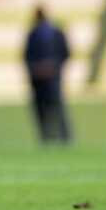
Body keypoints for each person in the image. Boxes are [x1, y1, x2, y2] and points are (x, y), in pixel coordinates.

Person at [24, 8, 71, 144]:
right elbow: (27, 57)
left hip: (53, 79)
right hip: (38, 80)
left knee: (57, 109)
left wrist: (53, 67)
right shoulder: (33, 34)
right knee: (41, 111)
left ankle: (65, 138)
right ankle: (46, 139)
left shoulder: (56, 33)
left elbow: (65, 53)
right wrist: (36, 68)